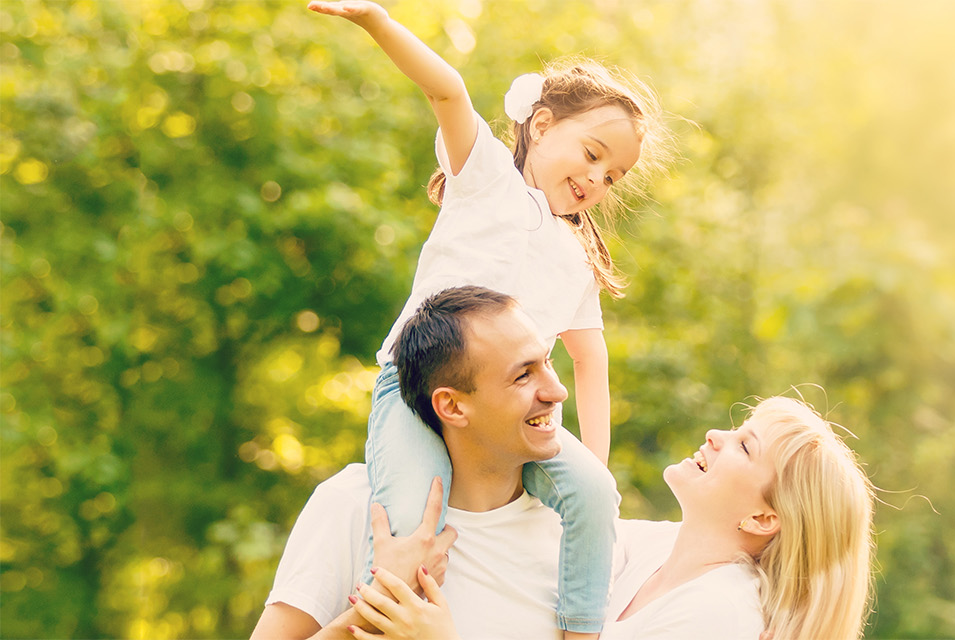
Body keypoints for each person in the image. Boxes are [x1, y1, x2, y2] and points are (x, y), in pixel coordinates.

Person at [306, 0, 674, 635]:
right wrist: (376, 22)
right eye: (590, 154)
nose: (596, 178)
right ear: (540, 122)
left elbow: (591, 360)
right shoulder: (485, 182)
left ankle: (580, 627)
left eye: (613, 176)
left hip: (514, 412)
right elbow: (447, 90)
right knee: (407, 529)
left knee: (592, 495)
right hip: (418, 387)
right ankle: (381, 618)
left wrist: (595, 457)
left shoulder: (575, 258)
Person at [348, 396, 879, 639]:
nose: (718, 435)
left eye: (745, 445)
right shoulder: (650, 548)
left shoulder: (718, 617)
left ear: (764, 518)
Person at [252, 286, 578, 640]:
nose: (557, 392)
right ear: (452, 406)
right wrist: (377, 603)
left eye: (548, 361)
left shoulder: (570, 534)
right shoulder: (354, 504)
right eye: (523, 375)